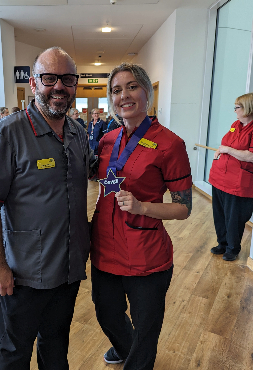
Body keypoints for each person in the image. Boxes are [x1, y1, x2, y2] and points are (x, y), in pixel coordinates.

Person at [0, 46, 97, 370]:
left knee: (56, 349)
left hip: (68, 269)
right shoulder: (10, 132)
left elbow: (98, 172)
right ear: (33, 82)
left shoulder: (78, 132)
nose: (59, 87)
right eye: (49, 78)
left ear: (75, 84)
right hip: (23, 274)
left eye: (67, 79)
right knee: (15, 354)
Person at [90, 63, 192, 370]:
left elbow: (183, 208)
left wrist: (142, 206)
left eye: (132, 86)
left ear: (146, 92)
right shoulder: (107, 140)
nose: (124, 95)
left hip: (145, 254)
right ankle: (125, 348)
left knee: (146, 330)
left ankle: (137, 359)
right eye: (117, 90)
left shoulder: (170, 144)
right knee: (106, 313)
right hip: (105, 248)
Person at [209, 93, 253, 261]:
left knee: (234, 217)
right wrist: (220, 150)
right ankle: (222, 243)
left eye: (237, 107)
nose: (235, 110)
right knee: (219, 214)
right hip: (219, 178)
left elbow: (250, 156)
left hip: (238, 182)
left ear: (248, 108)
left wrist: (227, 150)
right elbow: (227, 143)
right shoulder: (236, 124)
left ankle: (232, 248)